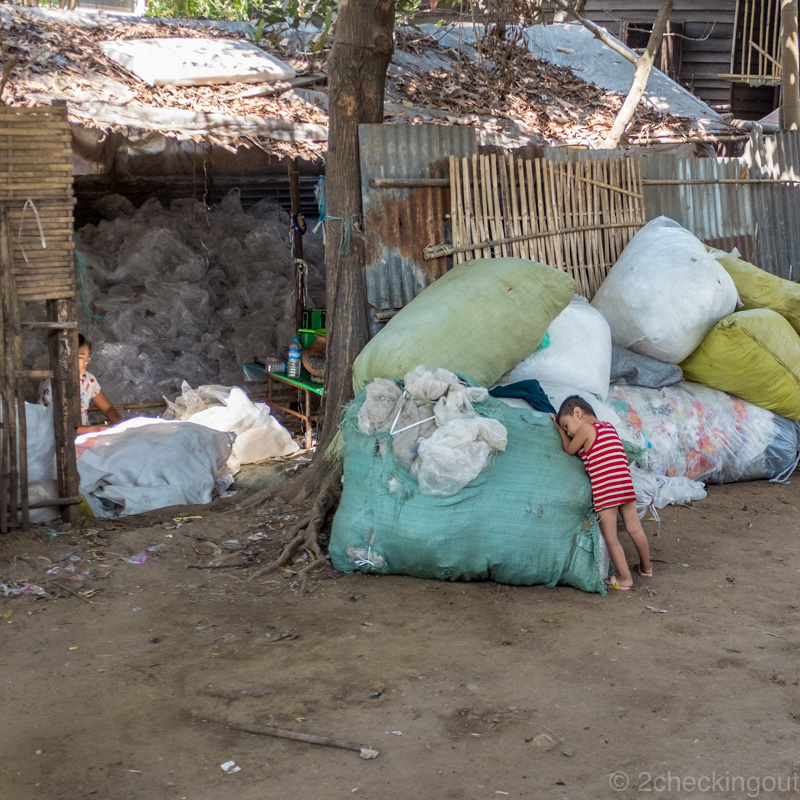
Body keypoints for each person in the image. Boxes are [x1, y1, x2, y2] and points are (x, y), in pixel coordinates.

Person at [552, 395, 652, 591]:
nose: (568, 432)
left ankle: (625, 578)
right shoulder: (608, 427)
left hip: (607, 491)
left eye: (566, 425)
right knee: (635, 529)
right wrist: (564, 427)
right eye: (564, 429)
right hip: (625, 485)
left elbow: (569, 450)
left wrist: (558, 430)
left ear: (577, 413)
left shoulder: (585, 430)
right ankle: (646, 568)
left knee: (611, 536)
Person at [38, 335, 123, 435]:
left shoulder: (88, 380)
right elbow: (60, 428)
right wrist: (95, 429)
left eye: (88, 357)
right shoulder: (51, 385)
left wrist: (121, 424)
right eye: (81, 357)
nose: (86, 361)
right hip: (57, 439)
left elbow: (108, 409)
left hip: (84, 437)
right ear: (66, 357)